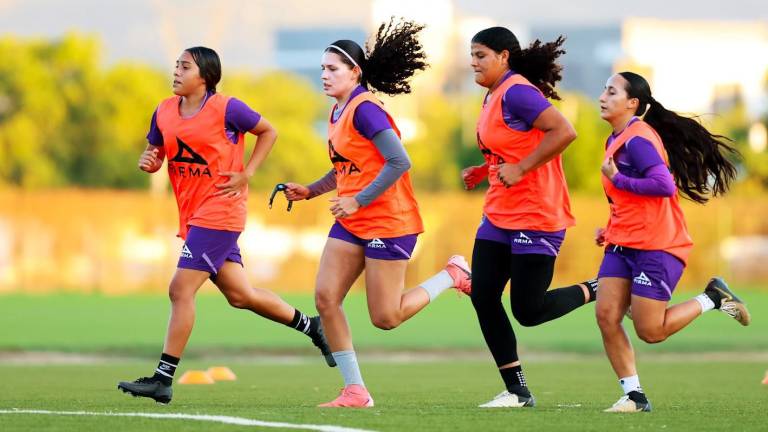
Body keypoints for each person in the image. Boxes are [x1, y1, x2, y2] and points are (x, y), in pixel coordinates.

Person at [117, 46, 332, 404]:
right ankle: (313, 327)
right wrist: (149, 162)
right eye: (176, 66)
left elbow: (269, 131)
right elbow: (156, 155)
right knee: (240, 295)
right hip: (192, 216)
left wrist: (247, 173)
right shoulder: (164, 111)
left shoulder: (227, 108)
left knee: (180, 290)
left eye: (185, 67)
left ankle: (163, 378)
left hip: (221, 212)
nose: (176, 72)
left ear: (205, 77)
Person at [281, 19, 472, 408]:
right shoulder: (338, 113)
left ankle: (452, 275)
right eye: (321, 68)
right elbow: (346, 169)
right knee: (325, 298)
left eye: (333, 68)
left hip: (389, 221)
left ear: (355, 72)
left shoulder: (366, 110)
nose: (324, 75)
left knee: (386, 318)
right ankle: (355, 391)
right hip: (353, 221)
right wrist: (311, 191)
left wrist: (358, 200)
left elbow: (400, 161)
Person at [595, 71, 750, 413]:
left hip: (658, 245)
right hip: (623, 242)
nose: (603, 96)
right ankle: (634, 397)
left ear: (632, 103)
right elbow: (624, 198)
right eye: (604, 90)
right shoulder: (615, 139)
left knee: (650, 331)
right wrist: (609, 227)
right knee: (606, 314)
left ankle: (712, 298)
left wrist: (618, 177)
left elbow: (663, 186)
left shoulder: (637, 139)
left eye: (611, 91)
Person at [462, 27, 598, 408]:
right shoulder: (491, 96)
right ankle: (516, 389)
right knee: (483, 295)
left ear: (504, 56)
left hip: (536, 214)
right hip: (499, 214)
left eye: (481, 54)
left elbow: (564, 131)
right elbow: (509, 145)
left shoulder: (518, 91)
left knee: (528, 311)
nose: (473, 62)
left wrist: (521, 169)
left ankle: (598, 288)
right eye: (471, 54)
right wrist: (483, 168)